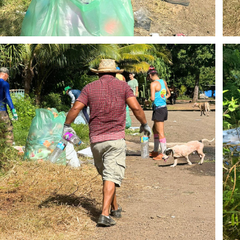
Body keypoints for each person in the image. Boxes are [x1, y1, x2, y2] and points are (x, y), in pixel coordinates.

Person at [64, 59, 151, 227]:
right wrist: (144, 124)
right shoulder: (123, 87)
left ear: (99, 73)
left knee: (108, 175)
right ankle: (104, 215)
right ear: (115, 73)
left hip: (96, 141)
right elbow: (137, 108)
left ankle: (115, 207)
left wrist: (66, 125)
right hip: (115, 139)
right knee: (110, 175)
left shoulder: (89, 88)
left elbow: (75, 108)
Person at [147, 67, 171, 160]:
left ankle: (164, 153)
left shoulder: (153, 84)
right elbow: (168, 94)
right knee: (155, 129)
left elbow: (152, 98)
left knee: (160, 132)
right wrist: (163, 99)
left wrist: (148, 101)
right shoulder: (163, 82)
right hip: (163, 108)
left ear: (150, 75)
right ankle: (155, 150)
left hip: (158, 109)